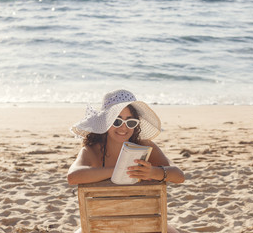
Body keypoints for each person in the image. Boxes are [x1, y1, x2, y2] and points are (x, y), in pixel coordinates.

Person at [67, 89, 185, 233]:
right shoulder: (92, 150)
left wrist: (154, 172)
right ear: (106, 122)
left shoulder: (145, 146)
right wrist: (119, 169)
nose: (123, 127)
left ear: (136, 125)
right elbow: (73, 176)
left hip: (143, 219)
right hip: (102, 222)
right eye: (117, 121)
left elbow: (179, 176)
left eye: (130, 121)